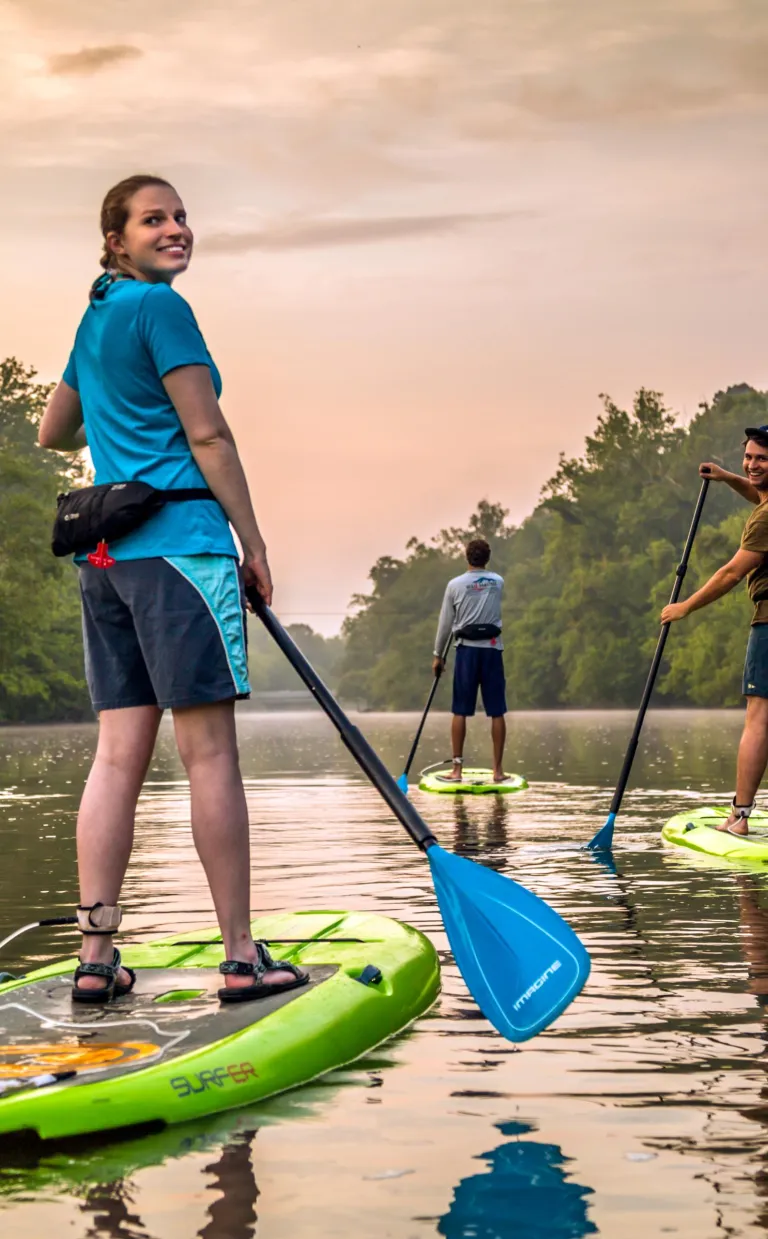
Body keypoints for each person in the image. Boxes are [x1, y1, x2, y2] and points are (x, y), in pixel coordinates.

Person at [38, 173, 307, 1003]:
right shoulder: (161, 310)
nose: (176, 228)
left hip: (107, 563)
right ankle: (239, 956)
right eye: (154, 219)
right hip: (183, 555)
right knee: (210, 754)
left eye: (182, 216)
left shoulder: (100, 313)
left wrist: (113, 392)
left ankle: (96, 956)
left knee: (117, 756)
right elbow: (208, 432)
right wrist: (252, 541)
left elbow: (53, 429)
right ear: (116, 238)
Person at [662, 426, 768, 836]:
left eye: (761, 459)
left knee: (758, 718)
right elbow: (758, 491)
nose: (753, 465)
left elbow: (730, 573)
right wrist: (727, 477)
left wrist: (685, 607)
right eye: (750, 457)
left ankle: (739, 819)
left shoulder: (764, 518)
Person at [432, 538, 508, 782]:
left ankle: (456, 771)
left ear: (467, 557)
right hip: (492, 651)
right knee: (497, 711)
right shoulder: (497, 582)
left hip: (467, 652)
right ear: (487, 558)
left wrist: (438, 656)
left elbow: (445, 623)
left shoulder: (454, 585)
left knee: (460, 711)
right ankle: (498, 771)